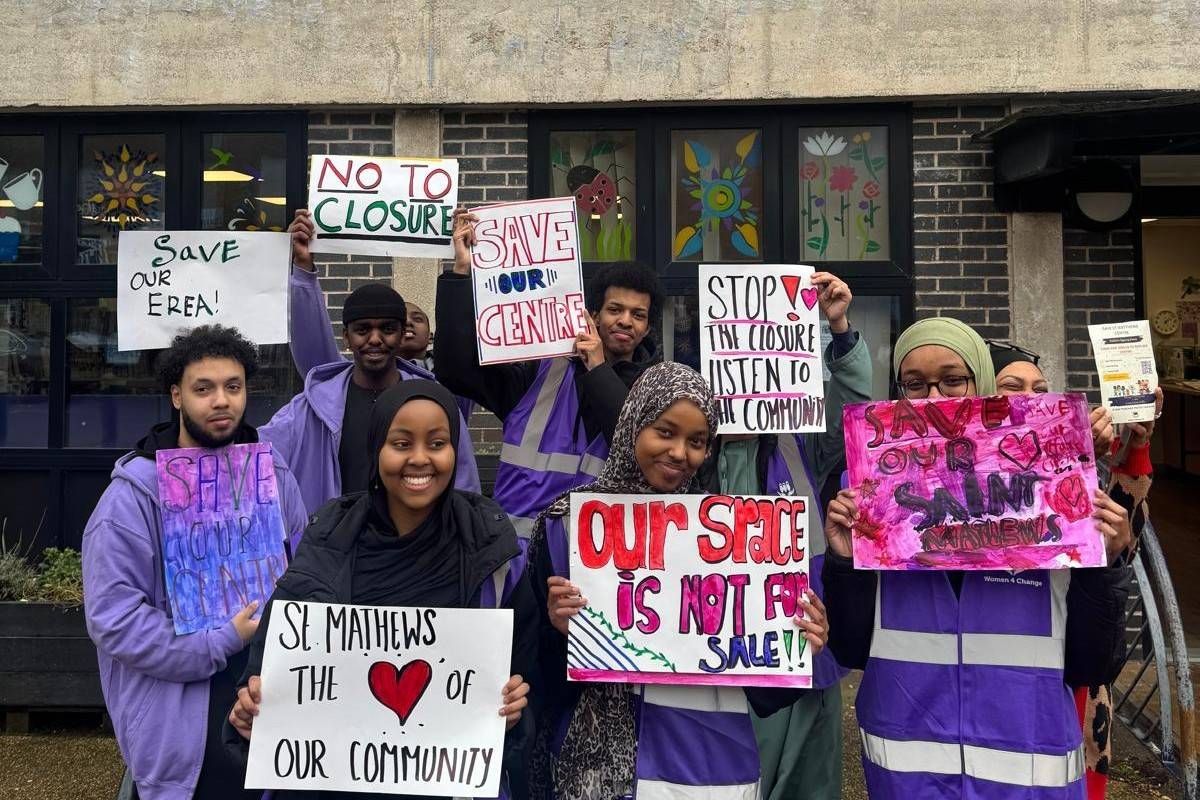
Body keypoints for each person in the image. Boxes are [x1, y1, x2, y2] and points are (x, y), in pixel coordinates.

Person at [823, 316, 1132, 800]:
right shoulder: (870, 496)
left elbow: (1094, 661)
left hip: (1030, 779)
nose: (933, 398)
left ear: (983, 384)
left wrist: (1106, 565)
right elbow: (848, 648)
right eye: (914, 385)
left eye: (952, 380)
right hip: (909, 778)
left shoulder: (1054, 490)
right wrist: (844, 564)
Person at [528, 362, 830, 800]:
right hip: (597, 774)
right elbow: (535, 670)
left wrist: (795, 644)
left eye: (697, 441)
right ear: (633, 423)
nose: (679, 452)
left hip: (707, 772)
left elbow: (764, 696)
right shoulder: (565, 526)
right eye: (665, 432)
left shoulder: (732, 538)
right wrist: (559, 633)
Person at [227, 380, 535, 799]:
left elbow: (528, 678)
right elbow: (264, 676)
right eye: (401, 443)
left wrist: (514, 712)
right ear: (376, 450)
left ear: (455, 451)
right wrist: (248, 717)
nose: (420, 458)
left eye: (437, 443)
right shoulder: (324, 543)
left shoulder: (494, 556)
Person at [82, 325, 309, 800]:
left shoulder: (274, 475)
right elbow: (114, 618)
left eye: (233, 386)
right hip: (180, 721)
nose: (221, 401)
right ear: (176, 396)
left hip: (269, 701)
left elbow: (306, 573)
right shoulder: (131, 498)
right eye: (203, 389)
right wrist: (220, 641)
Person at [696, 272, 869, 800]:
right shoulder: (692, 455)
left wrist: (839, 328)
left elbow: (854, 411)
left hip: (806, 646)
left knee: (809, 783)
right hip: (723, 652)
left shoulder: (800, 442)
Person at [992, 341, 1161, 800]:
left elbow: (1125, 537)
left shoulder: (1071, 470)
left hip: (1075, 672)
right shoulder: (966, 485)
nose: (1030, 397)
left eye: (1040, 389)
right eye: (1011, 386)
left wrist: (1135, 443)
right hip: (1006, 677)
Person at [434, 207, 663, 537]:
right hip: (517, 554)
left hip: (595, 559)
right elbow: (455, 370)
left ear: (647, 329)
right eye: (615, 309)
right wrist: (461, 273)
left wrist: (598, 368)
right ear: (593, 315)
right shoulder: (539, 373)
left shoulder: (655, 390)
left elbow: (635, 447)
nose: (625, 321)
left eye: (638, 315)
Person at [265, 209, 480, 516]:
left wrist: (462, 268)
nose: (375, 339)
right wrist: (301, 266)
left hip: (416, 544)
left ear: (401, 333)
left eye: (387, 329)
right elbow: (252, 455)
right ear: (346, 337)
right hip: (335, 544)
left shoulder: (436, 402)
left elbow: (464, 487)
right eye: (363, 329)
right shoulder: (314, 407)